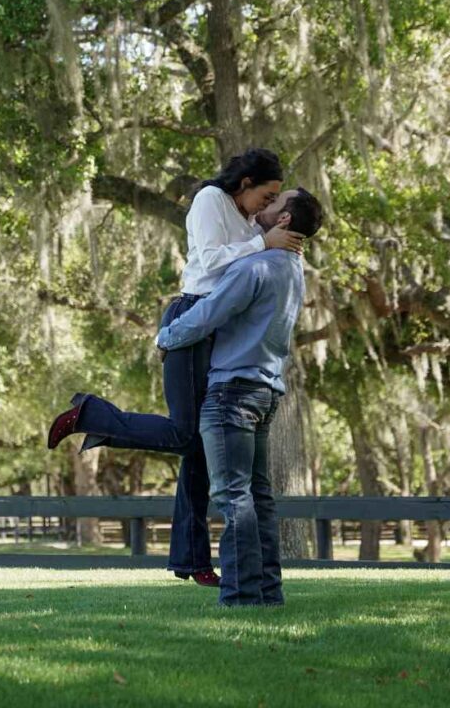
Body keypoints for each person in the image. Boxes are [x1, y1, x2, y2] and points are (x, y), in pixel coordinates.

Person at [47, 149, 304, 587]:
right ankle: (90, 414)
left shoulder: (246, 218)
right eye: (269, 193)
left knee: (203, 449)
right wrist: (264, 244)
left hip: (215, 326)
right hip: (193, 317)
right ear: (246, 182)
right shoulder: (210, 199)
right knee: (189, 435)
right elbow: (209, 261)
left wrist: (268, 242)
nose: (269, 203)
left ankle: (191, 559)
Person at [155, 188, 323, 606]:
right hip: (265, 392)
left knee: (234, 499)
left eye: (273, 203)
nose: (263, 209)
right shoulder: (292, 267)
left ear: (284, 220)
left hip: (231, 392)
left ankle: (241, 595)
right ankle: (268, 591)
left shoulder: (257, 268)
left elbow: (208, 314)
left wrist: (166, 336)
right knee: (258, 500)